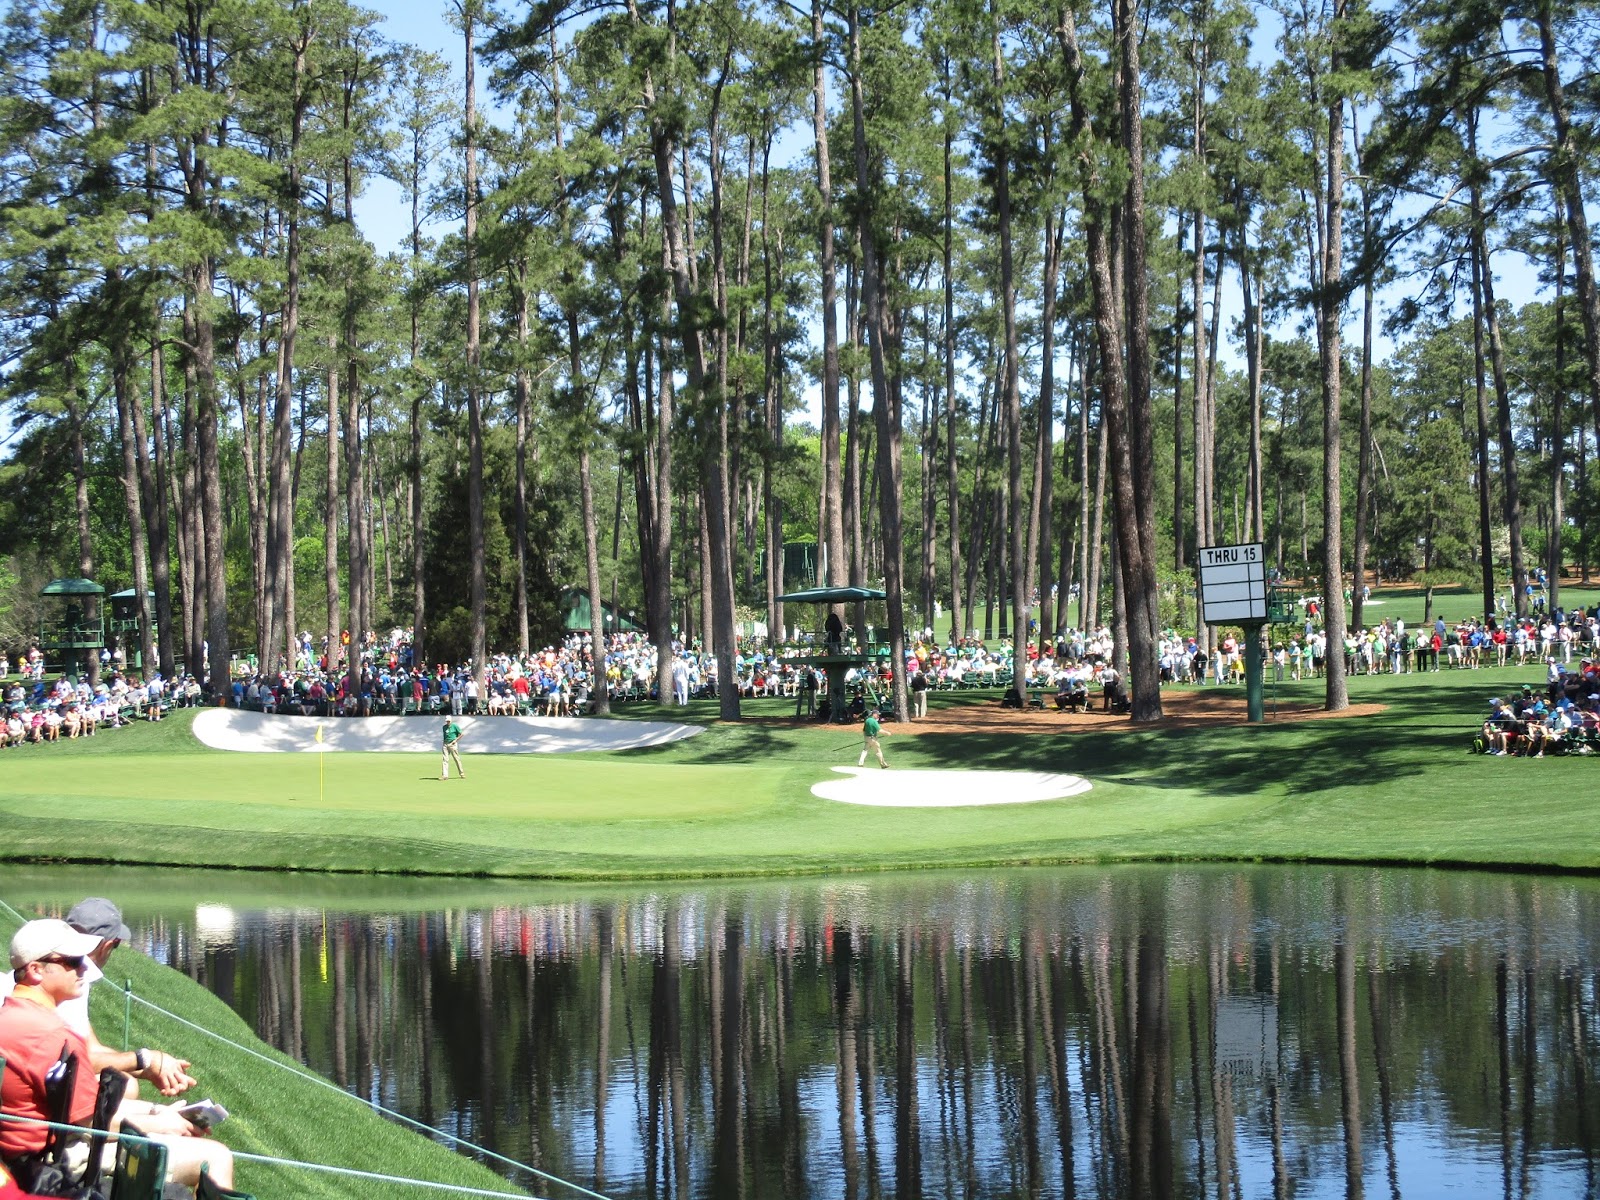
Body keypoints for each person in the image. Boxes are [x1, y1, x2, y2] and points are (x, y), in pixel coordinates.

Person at [0, 920, 235, 1193]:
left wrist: (156, 1112)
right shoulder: (51, 1035)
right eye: (73, 961)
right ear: (36, 970)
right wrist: (159, 1124)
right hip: (54, 1159)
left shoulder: (11, 1016)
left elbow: (81, 1109)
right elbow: (90, 1122)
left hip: (21, 1154)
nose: (83, 967)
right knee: (216, 1156)